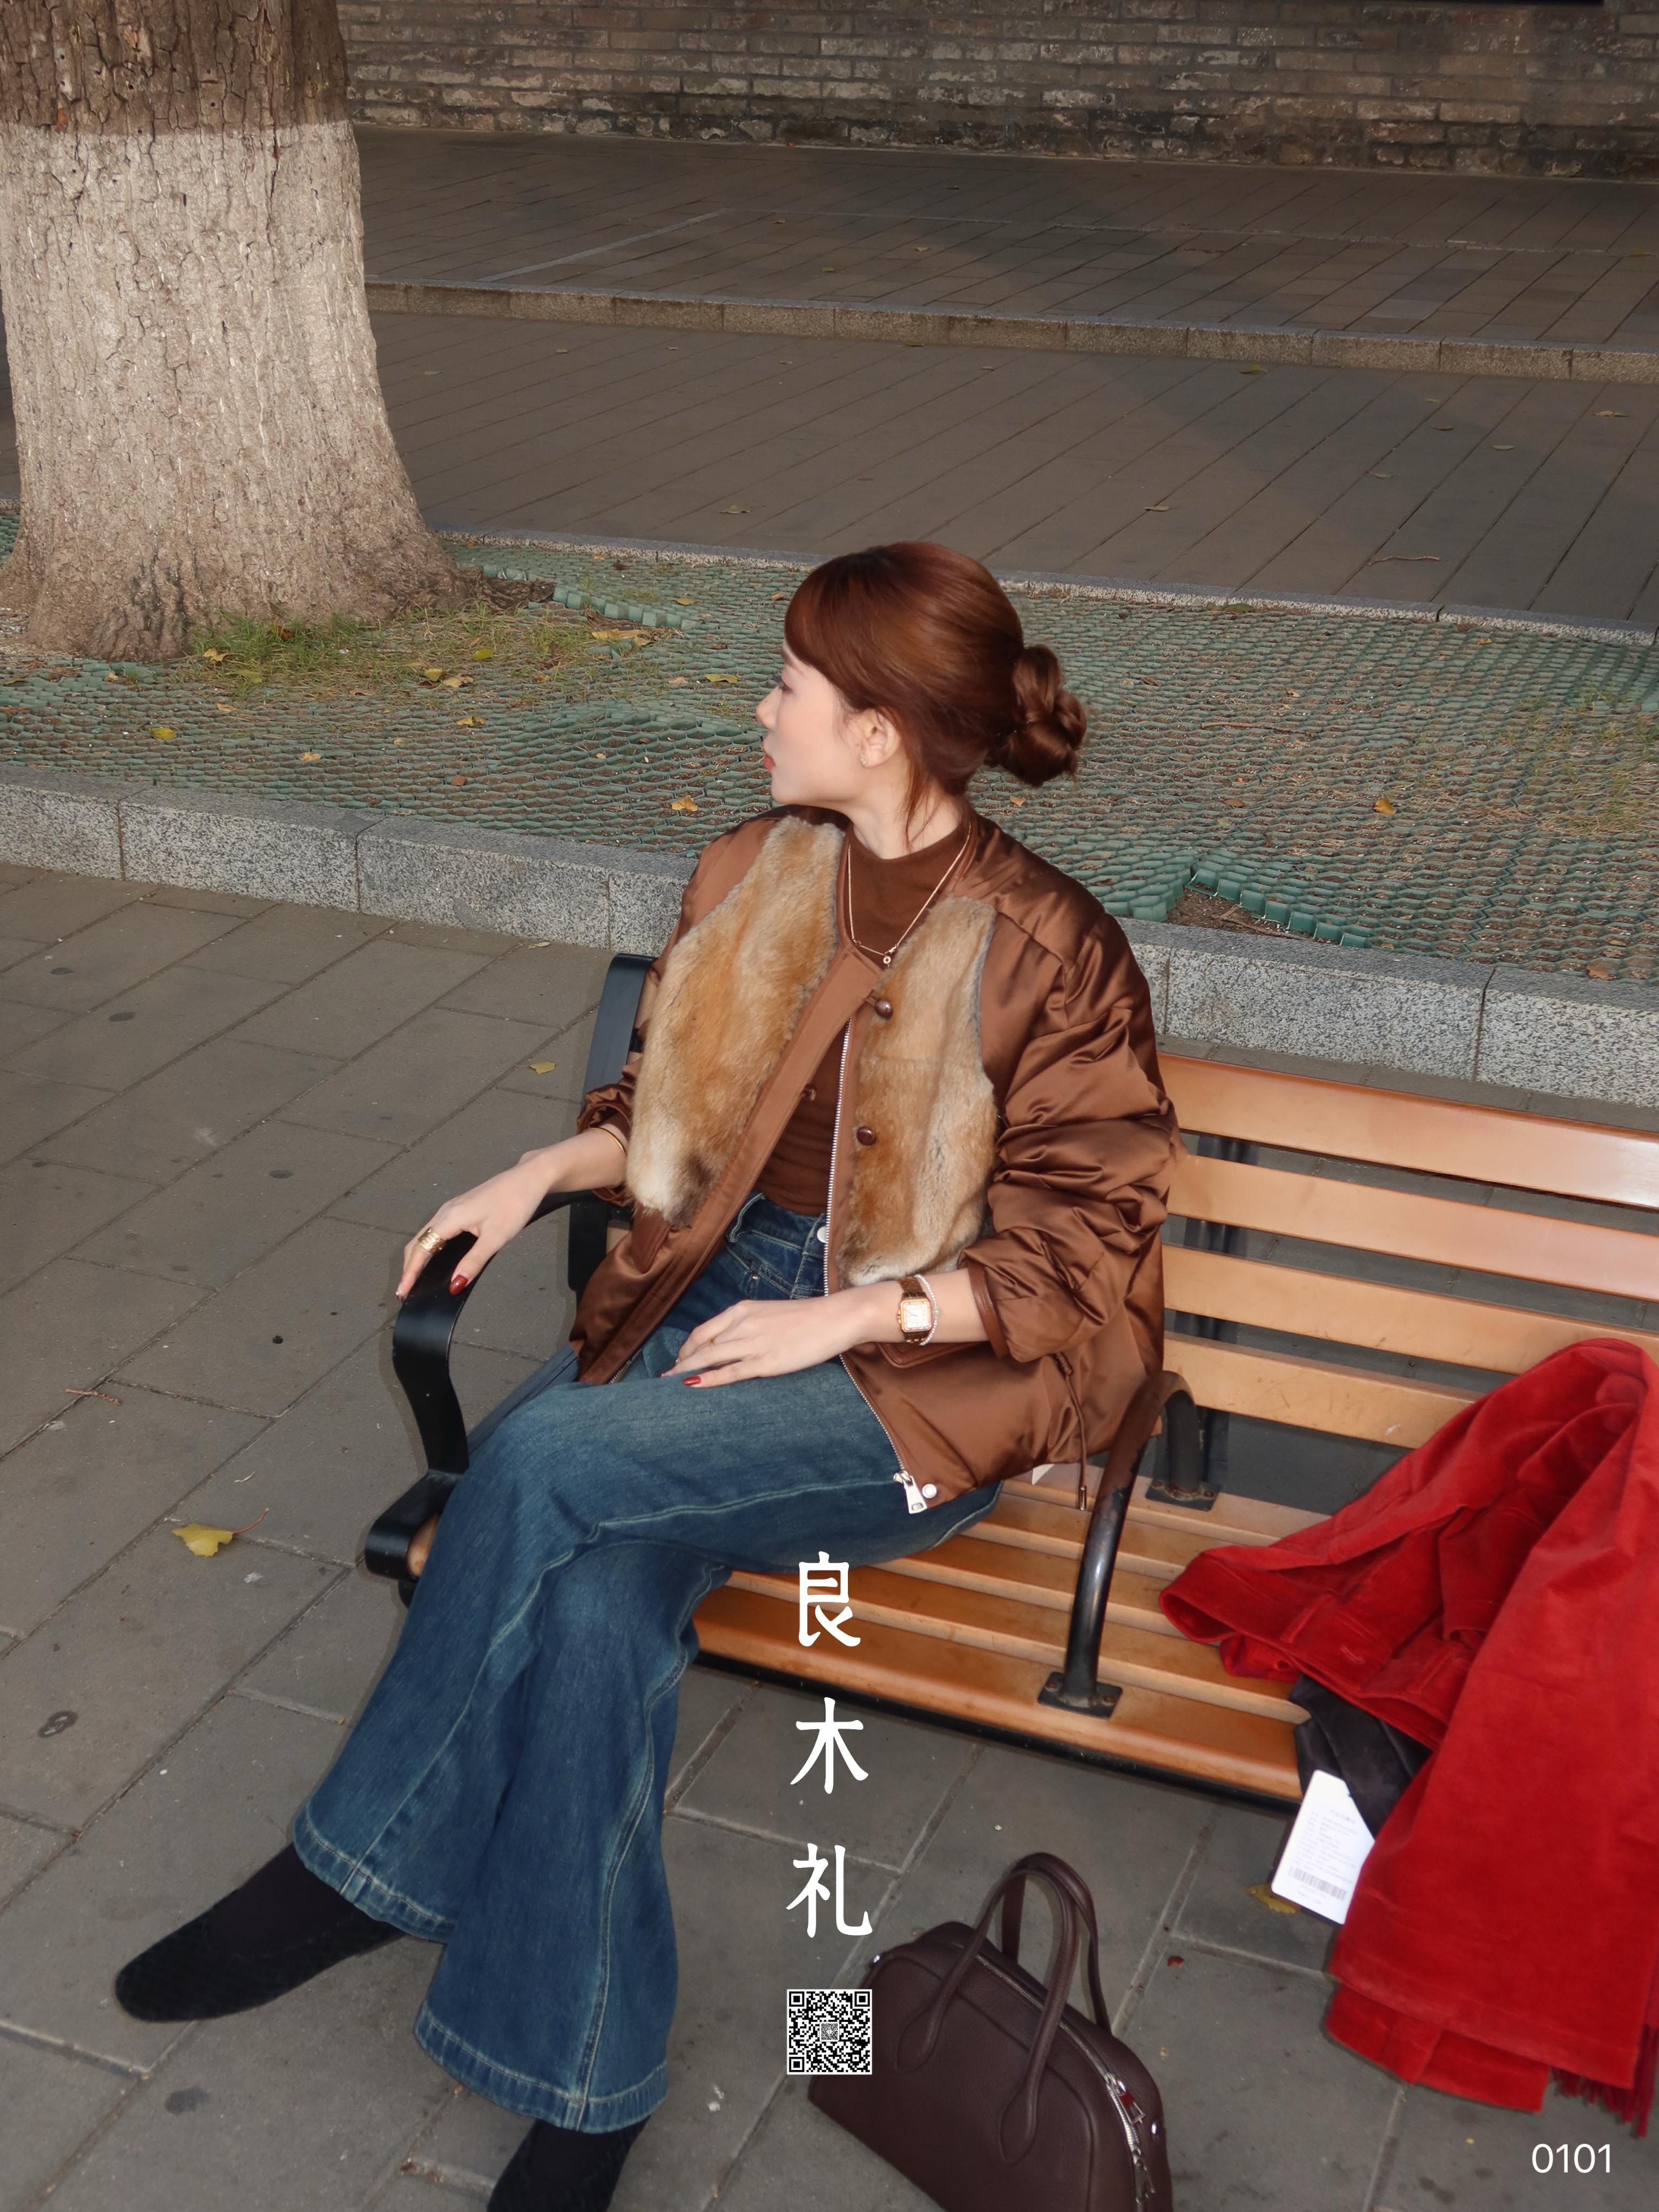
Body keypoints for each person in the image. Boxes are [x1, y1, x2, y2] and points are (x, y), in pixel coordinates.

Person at [112, 542, 1180, 2212]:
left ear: (881, 730)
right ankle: (588, 2079)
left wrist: (847, 1322)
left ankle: (358, 1869)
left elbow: (1088, 1242)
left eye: (789, 686)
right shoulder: (754, 866)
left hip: (915, 1389)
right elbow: (662, 1114)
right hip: (708, 1309)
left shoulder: (1055, 947)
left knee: (537, 1470)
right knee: (599, 1607)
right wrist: (540, 1171)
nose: (761, 709)